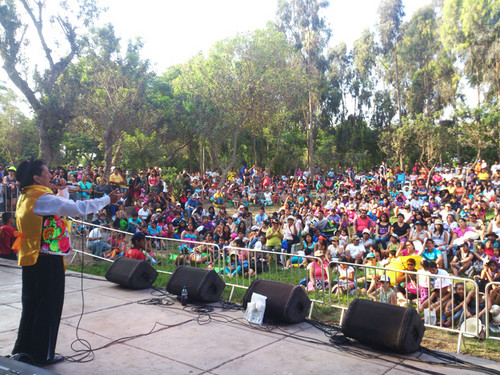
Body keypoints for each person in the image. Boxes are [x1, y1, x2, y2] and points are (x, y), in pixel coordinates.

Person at [10, 159, 123, 365]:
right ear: (37, 177)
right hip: (47, 262)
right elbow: (77, 208)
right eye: (47, 172)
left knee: (32, 306)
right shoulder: (42, 198)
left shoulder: (26, 196)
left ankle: (23, 350)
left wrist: (62, 190)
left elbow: (57, 208)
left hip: (31, 259)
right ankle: (42, 354)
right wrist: (108, 199)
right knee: (48, 307)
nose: (51, 175)